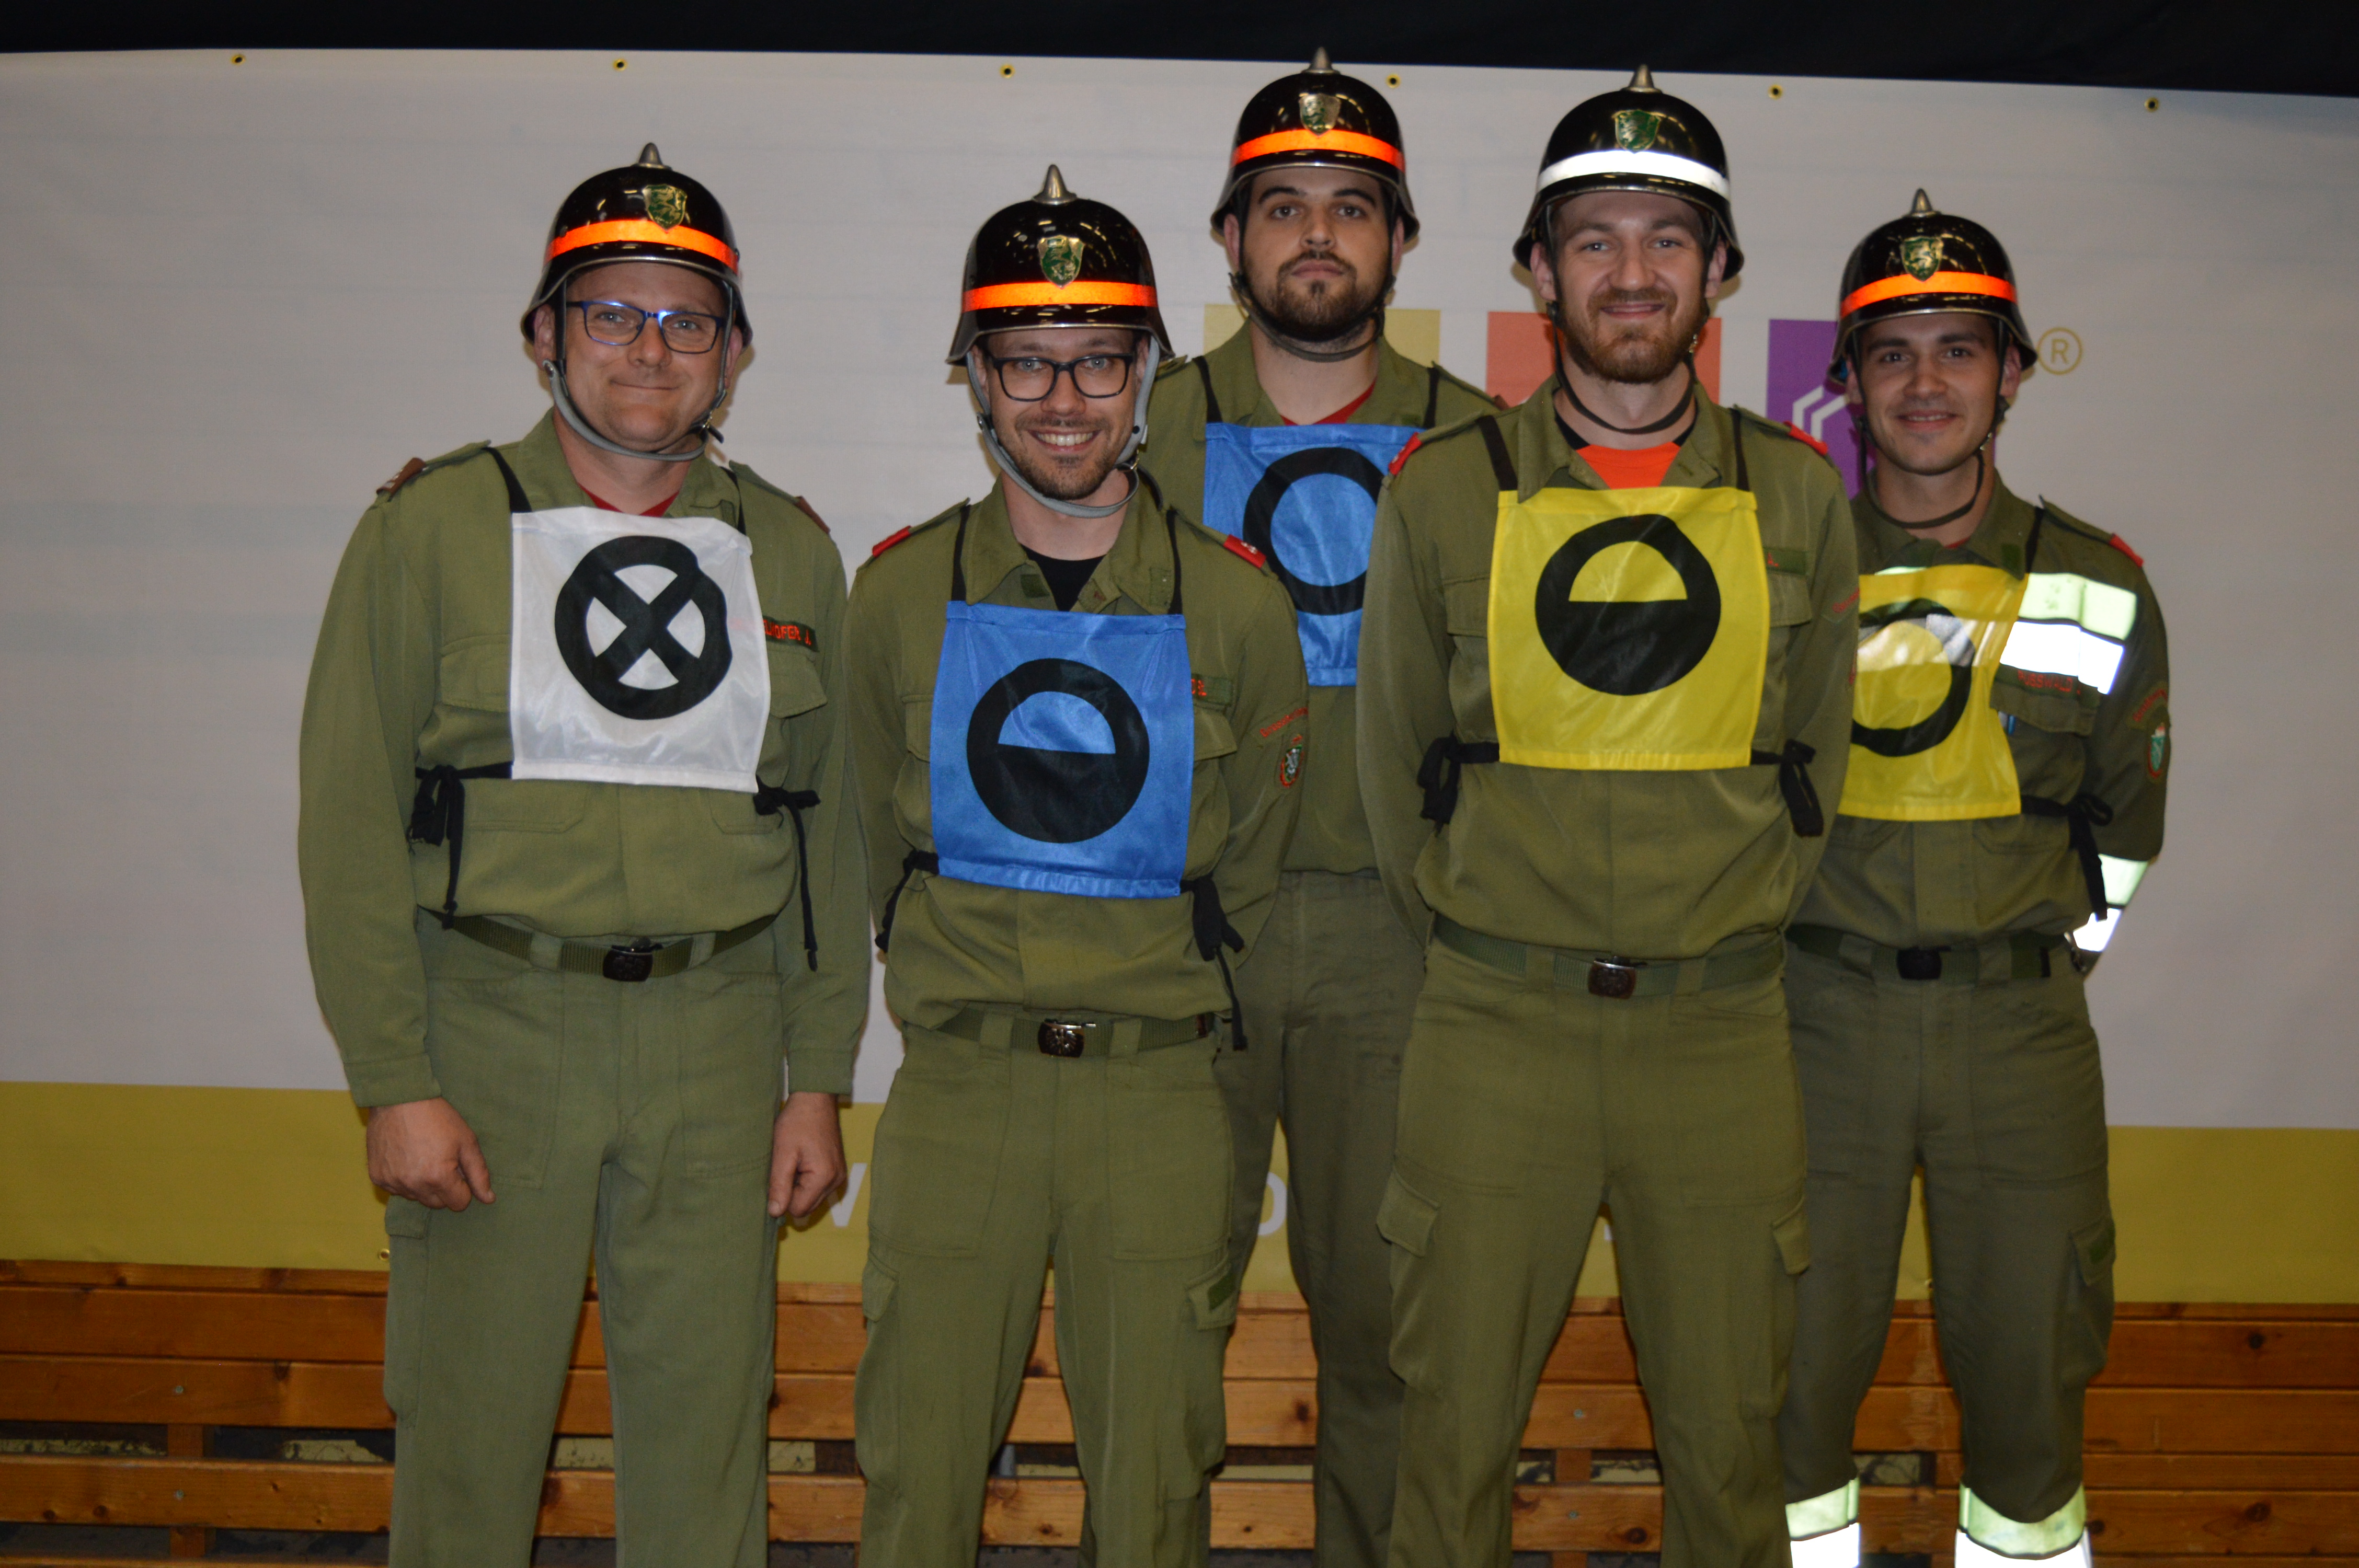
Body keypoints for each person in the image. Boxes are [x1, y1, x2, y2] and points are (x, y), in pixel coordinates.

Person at [297, 144, 865, 1568]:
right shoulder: (430, 531)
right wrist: (394, 1080)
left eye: (687, 320)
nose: (649, 349)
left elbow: (827, 843)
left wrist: (815, 1079)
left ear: (735, 354)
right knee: (469, 1440)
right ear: (543, 333)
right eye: (612, 312)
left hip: (719, 1042)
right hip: (494, 1035)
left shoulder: (791, 553)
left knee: (707, 1440)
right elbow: (350, 824)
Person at [1357, 68, 1858, 1568]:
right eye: (1594, 240)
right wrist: (1493, 938)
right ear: (1537, 271)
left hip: (1721, 1041)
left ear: (1719, 272)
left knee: (1730, 1450)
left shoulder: (1797, 498)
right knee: (1448, 1446)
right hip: (1494, 1033)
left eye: (1667, 239)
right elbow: (1394, 770)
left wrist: (1719, 920)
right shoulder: (1445, 494)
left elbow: (1816, 770)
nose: (1631, 272)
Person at [845, 166, 1309, 1568]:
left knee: (1156, 1485)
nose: (1064, 398)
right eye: (1026, 362)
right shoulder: (898, 596)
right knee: (917, 1473)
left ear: (1145, 372)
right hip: (962, 1089)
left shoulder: (1238, 605)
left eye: (1098, 359)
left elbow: (1256, 863)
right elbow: (871, 843)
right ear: (977, 379)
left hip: (1157, 1097)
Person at [1138, 49, 1497, 1568]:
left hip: (1396, 942)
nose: (1317, 237)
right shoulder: (1138, 426)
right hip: (1180, 935)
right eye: (1282, 206)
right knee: (1158, 1314)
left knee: (1392, 1329)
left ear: (1401, 240)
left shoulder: (1485, 446)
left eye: (1352, 207)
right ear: (1230, 238)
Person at [1778, 192, 2170, 1568]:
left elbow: (2127, 826)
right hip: (1815, 1024)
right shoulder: (1789, 583)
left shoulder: (2098, 582)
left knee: (2030, 1382)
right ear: (1848, 384)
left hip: (2020, 1033)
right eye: (1893, 353)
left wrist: (2035, 962)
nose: (1927, 383)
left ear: (2012, 373)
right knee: (1787, 1377)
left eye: (1960, 349)